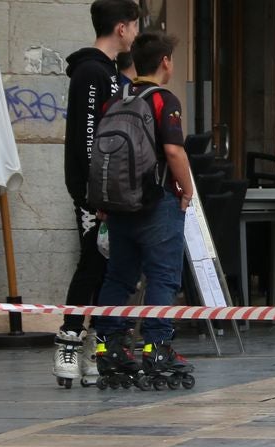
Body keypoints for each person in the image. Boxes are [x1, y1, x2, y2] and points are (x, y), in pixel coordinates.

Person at [93, 31, 196, 384]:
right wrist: (187, 189)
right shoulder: (163, 100)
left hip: (119, 205)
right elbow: (173, 151)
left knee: (119, 277)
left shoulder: (115, 100)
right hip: (156, 203)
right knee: (163, 277)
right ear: (165, 62)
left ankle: (109, 346)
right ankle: (156, 346)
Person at [54, 0, 139, 388]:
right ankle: (69, 339)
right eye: (135, 25)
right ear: (121, 28)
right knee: (91, 262)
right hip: (95, 193)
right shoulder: (91, 72)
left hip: (113, 192)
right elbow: (88, 138)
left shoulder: (112, 73)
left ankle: (93, 345)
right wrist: (96, 194)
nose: (136, 33)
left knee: (108, 267)